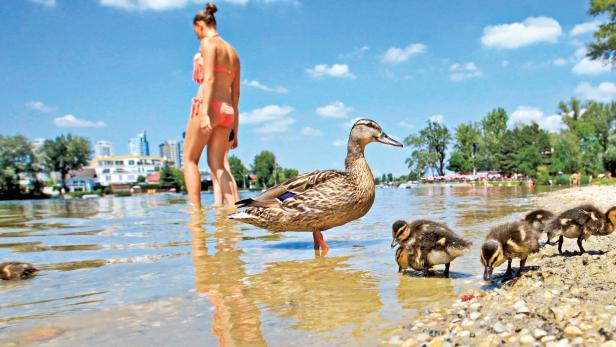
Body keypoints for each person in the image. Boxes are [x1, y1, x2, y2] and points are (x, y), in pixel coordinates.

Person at [184, 3, 240, 209]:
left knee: (189, 160)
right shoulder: (233, 53)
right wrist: (236, 129)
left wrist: (206, 113)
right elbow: (237, 94)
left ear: (200, 25)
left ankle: (195, 214)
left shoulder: (208, 43)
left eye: (195, 32)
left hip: (210, 106)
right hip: (228, 111)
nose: (197, 36)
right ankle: (234, 210)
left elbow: (208, 79)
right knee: (218, 165)